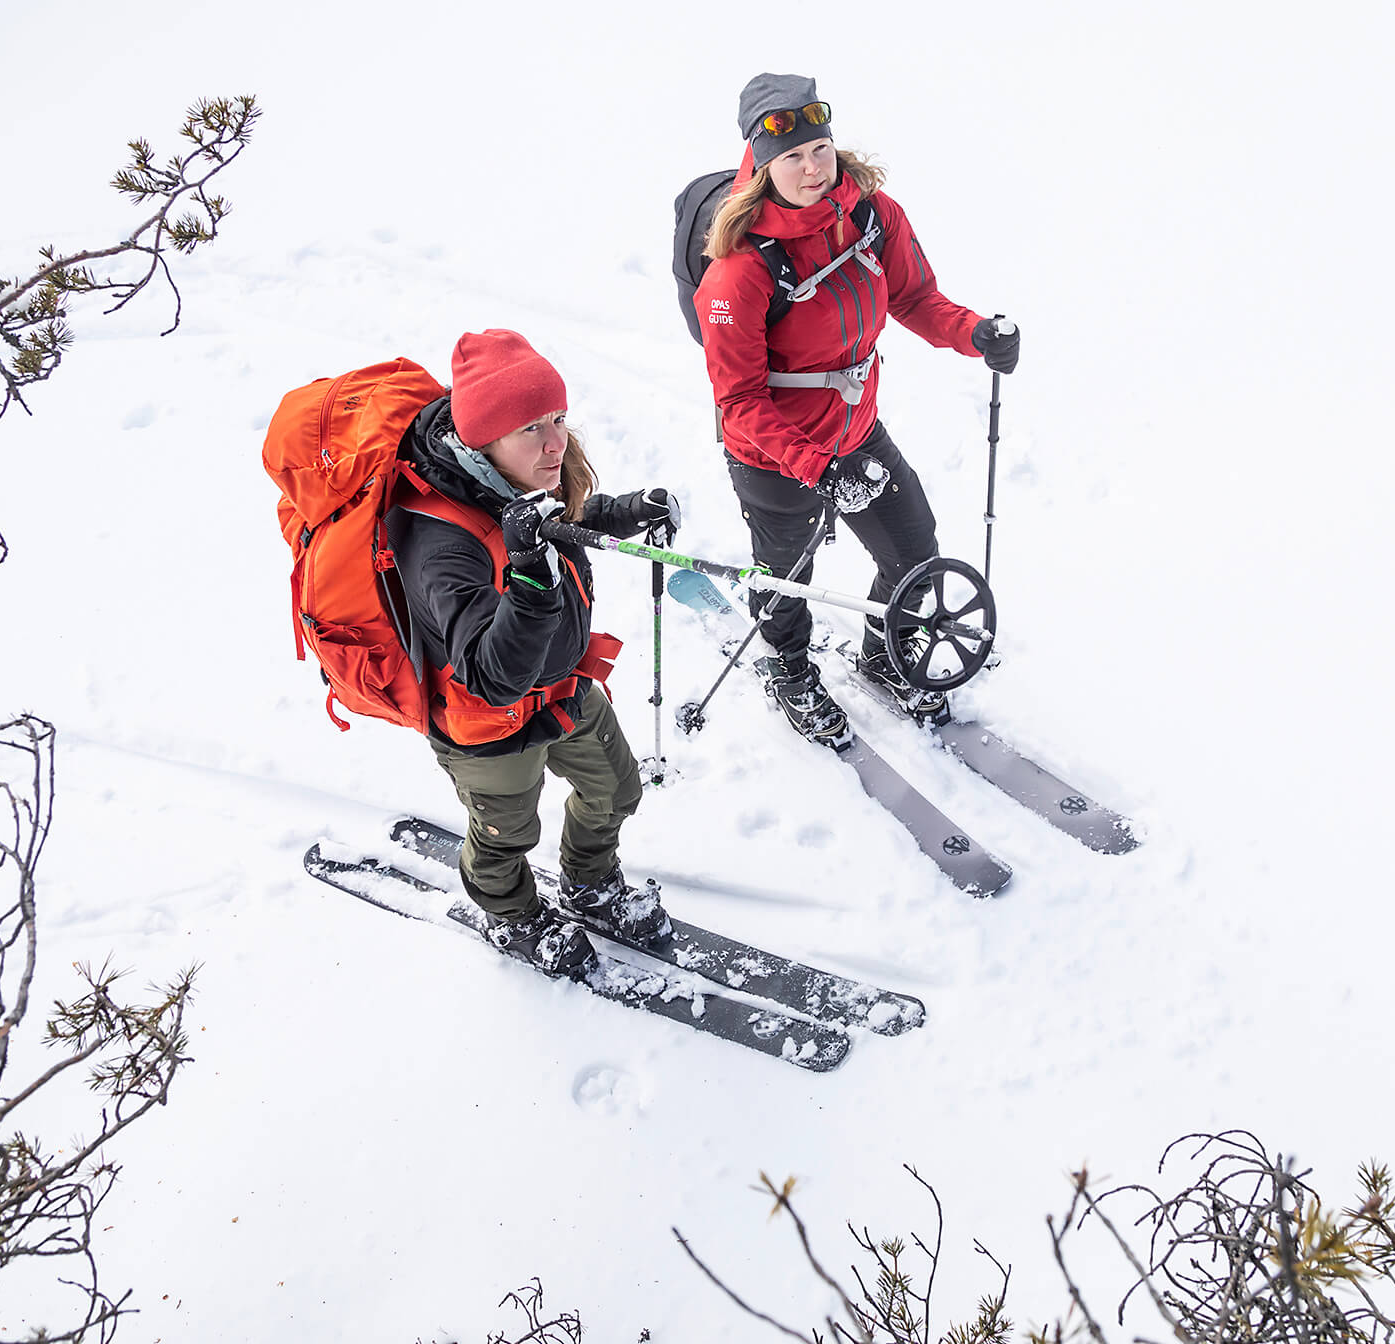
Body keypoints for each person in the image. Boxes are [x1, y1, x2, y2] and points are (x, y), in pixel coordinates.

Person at [693, 72, 1020, 746]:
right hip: (775, 458)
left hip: (857, 430)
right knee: (786, 575)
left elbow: (916, 298)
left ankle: (885, 654)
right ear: (761, 162)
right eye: (792, 157)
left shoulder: (873, 216)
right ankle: (788, 669)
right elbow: (740, 403)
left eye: (820, 149)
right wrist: (818, 467)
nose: (813, 168)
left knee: (913, 547)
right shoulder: (740, 272)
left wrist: (973, 333)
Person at [393, 329, 681, 971]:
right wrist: (527, 573)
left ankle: (588, 884)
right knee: (506, 836)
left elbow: (556, 518)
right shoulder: (439, 542)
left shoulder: (516, 480)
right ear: (483, 441)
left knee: (615, 790)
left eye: (557, 419)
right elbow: (493, 676)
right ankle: (513, 917)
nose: (556, 443)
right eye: (532, 428)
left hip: (564, 686)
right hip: (488, 724)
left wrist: (619, 511)